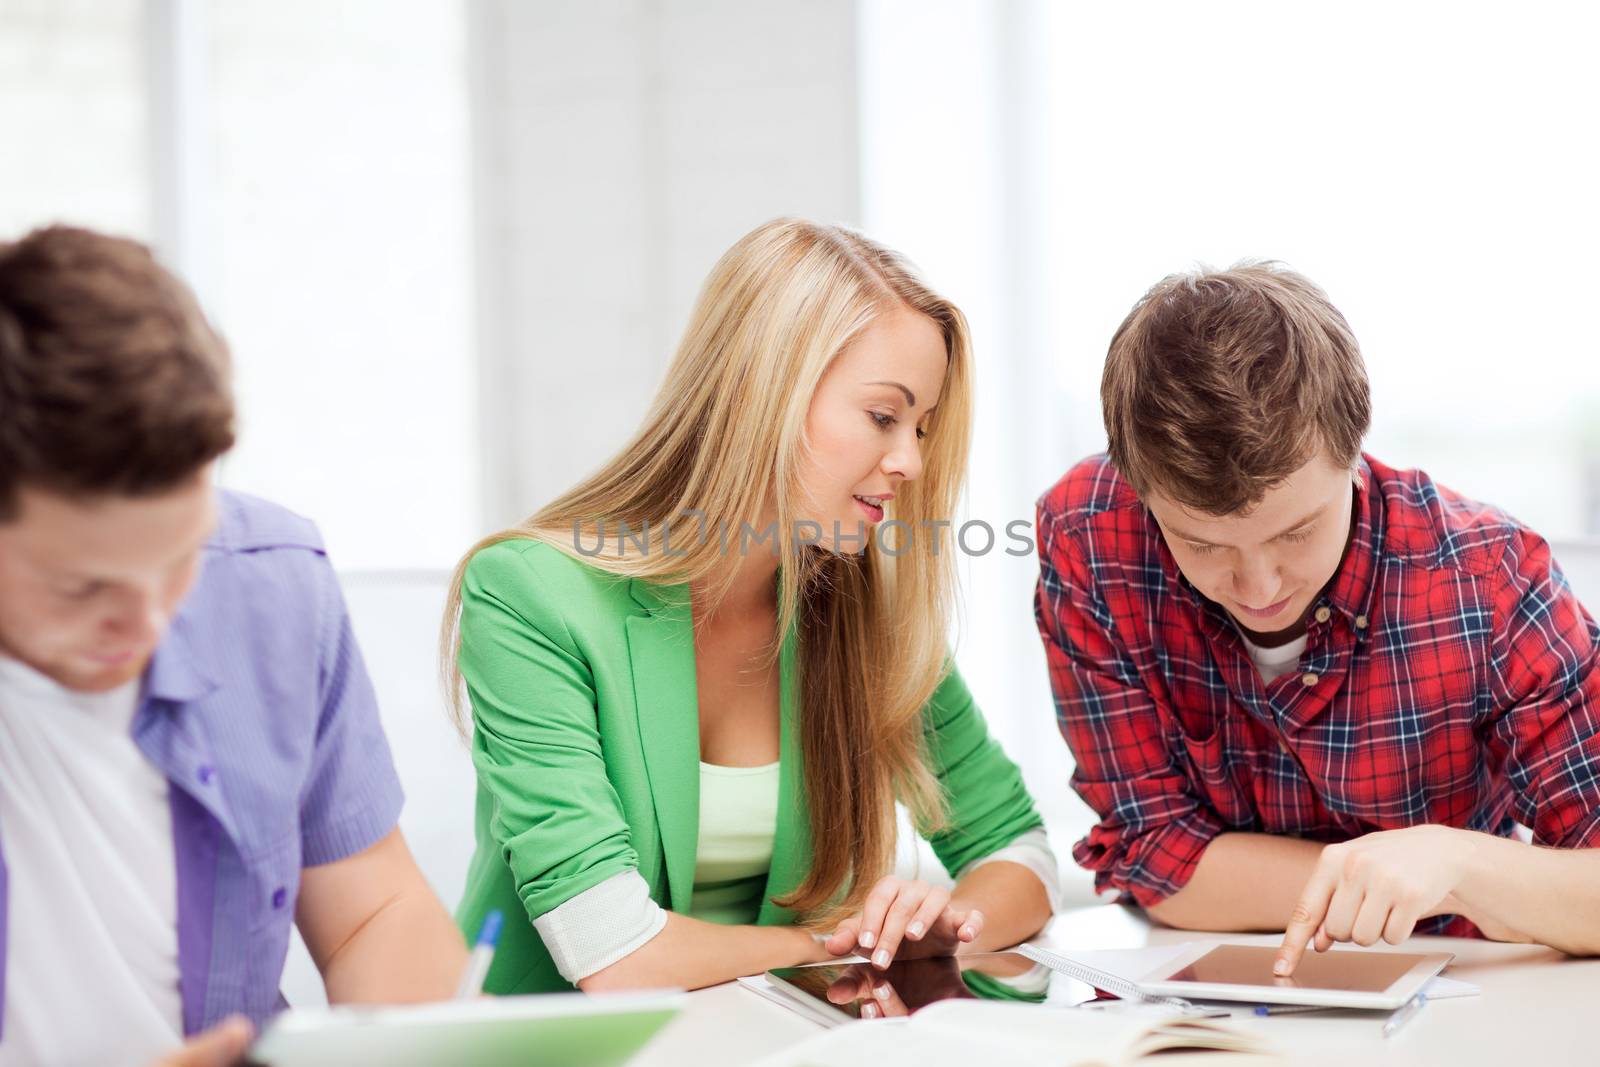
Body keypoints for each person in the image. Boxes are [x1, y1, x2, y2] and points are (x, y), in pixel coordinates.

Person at [444, 218, 1057, 998]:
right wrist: (840, 944)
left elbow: (1020, 849)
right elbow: (612, 951)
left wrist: (936, 925)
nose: (909, 460)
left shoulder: (866, 612)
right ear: (764, 392)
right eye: (882, 416)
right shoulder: (530, 594)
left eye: (922, 427)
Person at [1033, 262, 1600, 978]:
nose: (1258, 585)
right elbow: (1157, 856)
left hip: (1462, 997)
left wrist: (1453, 863)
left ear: (1354, 452)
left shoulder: (1490, 577)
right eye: (1203, 544)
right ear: (1142, 492)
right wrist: (1373, 874)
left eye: (1296, 530)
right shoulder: (1089, 534)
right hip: (1202, 1000)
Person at [0, 226, 468, 1066]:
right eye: (85, 587)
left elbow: (374, 908)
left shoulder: (268, 586)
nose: (147, 625)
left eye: (178, 557)